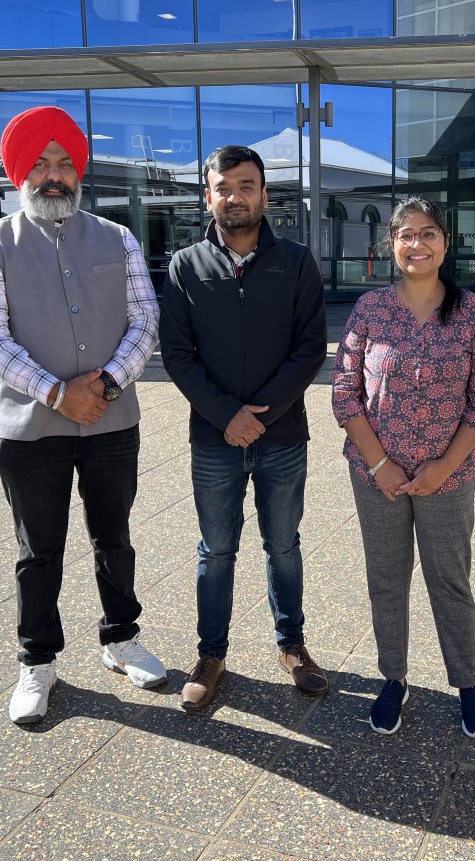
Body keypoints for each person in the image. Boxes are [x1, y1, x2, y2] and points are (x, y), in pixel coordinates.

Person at [0, 106, 168, 726]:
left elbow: (144, 320)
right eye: (42, 164)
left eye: (65, 164)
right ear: (20, 172)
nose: (55, 176)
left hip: (110, 420)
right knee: (38, 549)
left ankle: (120, 638)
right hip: (31, 428)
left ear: (79, 171)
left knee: (115, 536)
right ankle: (38, 661)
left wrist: (103, 383)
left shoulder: (117, 238)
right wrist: (56, 393)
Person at [159, 145, 328, 714]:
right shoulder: (186, 266)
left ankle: (293, 646)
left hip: (282, 438)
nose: (235, 196)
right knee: (217, 550)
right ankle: (211, 656)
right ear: (208, 195)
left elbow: (309, 350)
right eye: (224, 186)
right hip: (213, 440)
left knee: (284, 546)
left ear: (264, 194)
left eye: (246, 185)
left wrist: (261, 416)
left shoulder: (297, 261)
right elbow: (177, 356)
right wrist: (225, 416)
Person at [332, 197, 475, 738]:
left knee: (449, 579)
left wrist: (443, 466)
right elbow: (344, 392)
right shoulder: (371, 310)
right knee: (386, 578)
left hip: (446, 477)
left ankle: (468, 683)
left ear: (445, 243)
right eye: (407, 234)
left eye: (428, 233)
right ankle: (393, 678)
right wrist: (379, 463)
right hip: (375, 475)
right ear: (391, 245)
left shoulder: (471, 312)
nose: (418, 244)